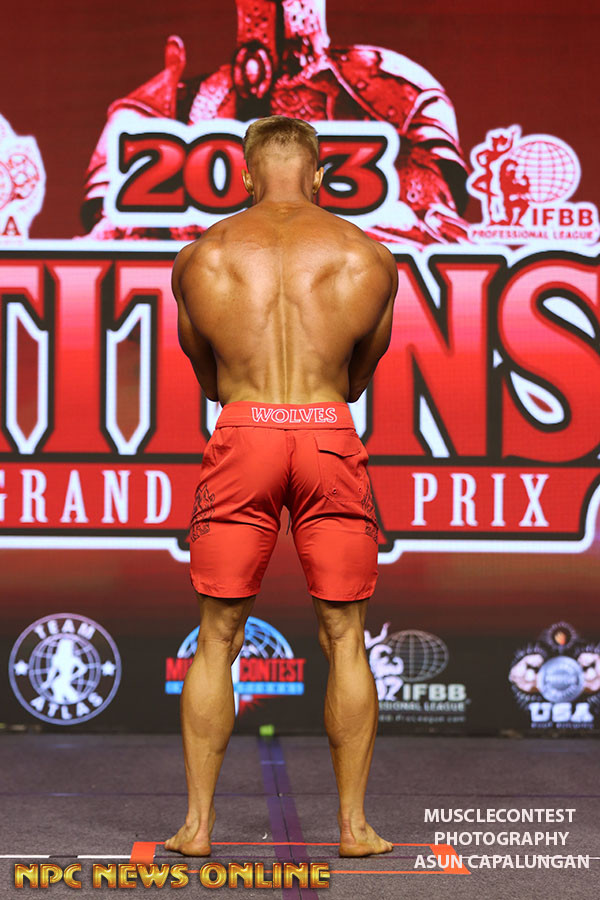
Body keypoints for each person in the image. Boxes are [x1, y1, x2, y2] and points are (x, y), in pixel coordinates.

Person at [166, 115, 398, 859]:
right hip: (328, 430)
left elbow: (209, 379)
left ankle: (197, 828)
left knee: (217, 636)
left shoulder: (202, 258)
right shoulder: (368, 257)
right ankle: (354, 829)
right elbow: (358, 378)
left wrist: (253, 396)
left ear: (245, 175)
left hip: (246, 431)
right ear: (319, 175)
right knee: (346, 637)